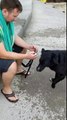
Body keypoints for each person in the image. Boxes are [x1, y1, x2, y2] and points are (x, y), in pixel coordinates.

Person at [0, 0, 37, 103]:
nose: (15, 19)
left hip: (2, 49)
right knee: (11, 66)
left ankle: (18, 69)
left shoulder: (6, 21)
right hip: (1, 52)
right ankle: (6, 89)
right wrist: (26, 56)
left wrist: (28, 46)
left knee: (23, 47)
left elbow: (14, 37)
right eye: (14, 16)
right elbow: (3, 54)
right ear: (5, 11)